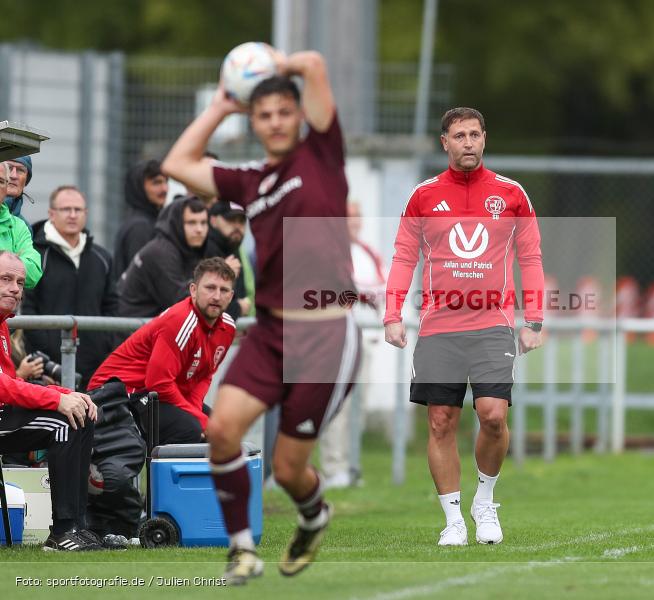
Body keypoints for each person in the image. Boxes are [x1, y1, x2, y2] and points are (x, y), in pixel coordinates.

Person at [161, 47, 359, 585]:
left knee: (291, 468)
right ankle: (243, 551)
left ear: (299, 118)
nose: (274, 122)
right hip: (272, 332)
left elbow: (315, 64)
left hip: (324, 335)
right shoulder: (252, 181)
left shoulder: (321, 156)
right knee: (222, 430)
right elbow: (176, 165)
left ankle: (314, 514)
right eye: (263, 114)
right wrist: (222, 106)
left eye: (283, 113)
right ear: (254, 120)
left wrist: (277, 62)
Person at [383, 107, 545, 546]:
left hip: (493, 324)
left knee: (492, 416)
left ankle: (485, 502)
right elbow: (403, 255)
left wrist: (533, 319)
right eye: (459, 135)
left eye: (474, 134)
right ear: (445, 143)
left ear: (485, 139)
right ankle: (453, 519)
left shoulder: (510, 194)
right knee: (440, 421)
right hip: (439, 326)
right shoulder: (424, 195)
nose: (468, 142)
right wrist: (393, 314)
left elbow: (530, 257)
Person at [0, 251, 101, 551]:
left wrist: (67, 394)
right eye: (5, 279)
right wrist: (56, 403)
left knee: (80, 414)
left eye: (19, 282)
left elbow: (11, 381)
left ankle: (77, 526)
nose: (16, 288)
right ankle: (62, 531)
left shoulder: (2, 324)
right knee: (63, 423)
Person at [88, 258, 236, 444]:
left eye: (223, 290)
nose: (216, 296)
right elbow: (158, 383)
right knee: (191, 430)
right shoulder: (181, 320)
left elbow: (204, 375)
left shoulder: (228, 328)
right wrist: (198, 419)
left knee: (217, 430)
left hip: (153, 392)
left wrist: (195, 410)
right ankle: (154, 473)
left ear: (231, 296)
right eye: (210, 288)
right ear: (193, 290)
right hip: (117, 394)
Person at [22, 185, 118, 387]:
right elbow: (28, 309)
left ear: (86, 213)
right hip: (48, 372)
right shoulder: (34, 255)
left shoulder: (102, 258)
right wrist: (47, 352)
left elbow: (112, 307)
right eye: (66, 209)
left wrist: (103, 348)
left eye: (78, 209)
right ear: (51, 214)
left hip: (95, 371)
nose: (72, 215)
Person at [319, 202, 386, 489]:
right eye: (348, 216)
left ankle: (351, 465)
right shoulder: (327, 252)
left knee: (359, 405)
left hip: (365, 339)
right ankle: (333, 468)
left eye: (358, 216)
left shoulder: (368, 252)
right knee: (338, 407)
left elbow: (382, 290)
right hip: (336, 342)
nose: (354, 222)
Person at [117, 195, 208, 318]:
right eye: (191, 223)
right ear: (177, 224)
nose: (199, 229)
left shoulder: (186, 249)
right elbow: (182, 303)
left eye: (203, 223)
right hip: (127, 331)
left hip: (143, 329)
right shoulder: (161, 252)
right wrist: (216, 278)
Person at [112, 159, 168, 279]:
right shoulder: (140, 227)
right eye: (156, 183)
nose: (164, 189)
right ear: (139, 187)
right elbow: (141, 277)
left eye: (165, 182)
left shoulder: (147, 221)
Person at [205, 200, 251, 319]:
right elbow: (202, 304)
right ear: (213, 221)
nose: (237, 226)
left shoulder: (233, 246)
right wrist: (238, 308)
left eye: (241, 221)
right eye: (230, 220)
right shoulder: (204, 248)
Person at [0, 162, 41, 288]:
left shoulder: (20, 226)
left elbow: (34, 272)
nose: (13, 175)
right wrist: (14, 259)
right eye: (10, 168)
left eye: (1, 181)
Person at [4, 156, 34, 231]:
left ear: (26, 181)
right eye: (8, 168)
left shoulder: (25, 228)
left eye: (20, 170)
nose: (13, 176)